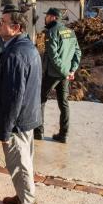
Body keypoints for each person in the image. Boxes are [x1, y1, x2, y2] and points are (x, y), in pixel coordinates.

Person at [0, 5, 42, 204]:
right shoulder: (26, 47)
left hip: (17, 120)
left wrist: (5, 129)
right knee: (24, 160)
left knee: (19, 163)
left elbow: (14, 96)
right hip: (28, 116)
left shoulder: (15, 54)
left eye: (3, 22)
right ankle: (23, 195)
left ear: (15, 28)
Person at [35, 8, 81, 144]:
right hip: (65, 74)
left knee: (40, 99)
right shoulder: (71, 32)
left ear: (53, 17)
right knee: (64, 103)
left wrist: (64, 71)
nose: (45, 19)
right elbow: (77, 52)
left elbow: (53, 56)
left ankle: (39, 132)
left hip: (54, 73)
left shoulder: (51, 32)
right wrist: (72, 70)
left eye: (47, 16)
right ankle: (64, 134)